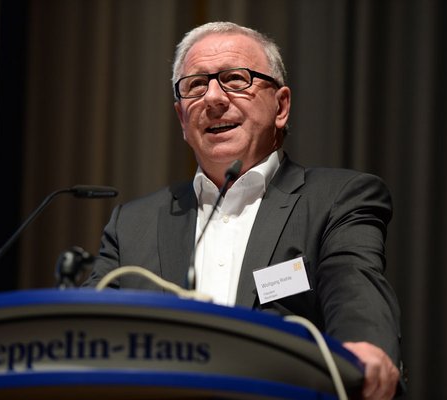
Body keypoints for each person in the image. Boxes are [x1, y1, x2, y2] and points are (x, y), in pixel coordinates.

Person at [85, 21, 402, 399]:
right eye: (195, 85)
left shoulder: (336, 199)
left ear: (281, 106)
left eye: (235, 79)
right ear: (182, 119)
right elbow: (86, 337)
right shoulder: (132, 224)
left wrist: (364, 348)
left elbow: (353, 287)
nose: (213, 98)